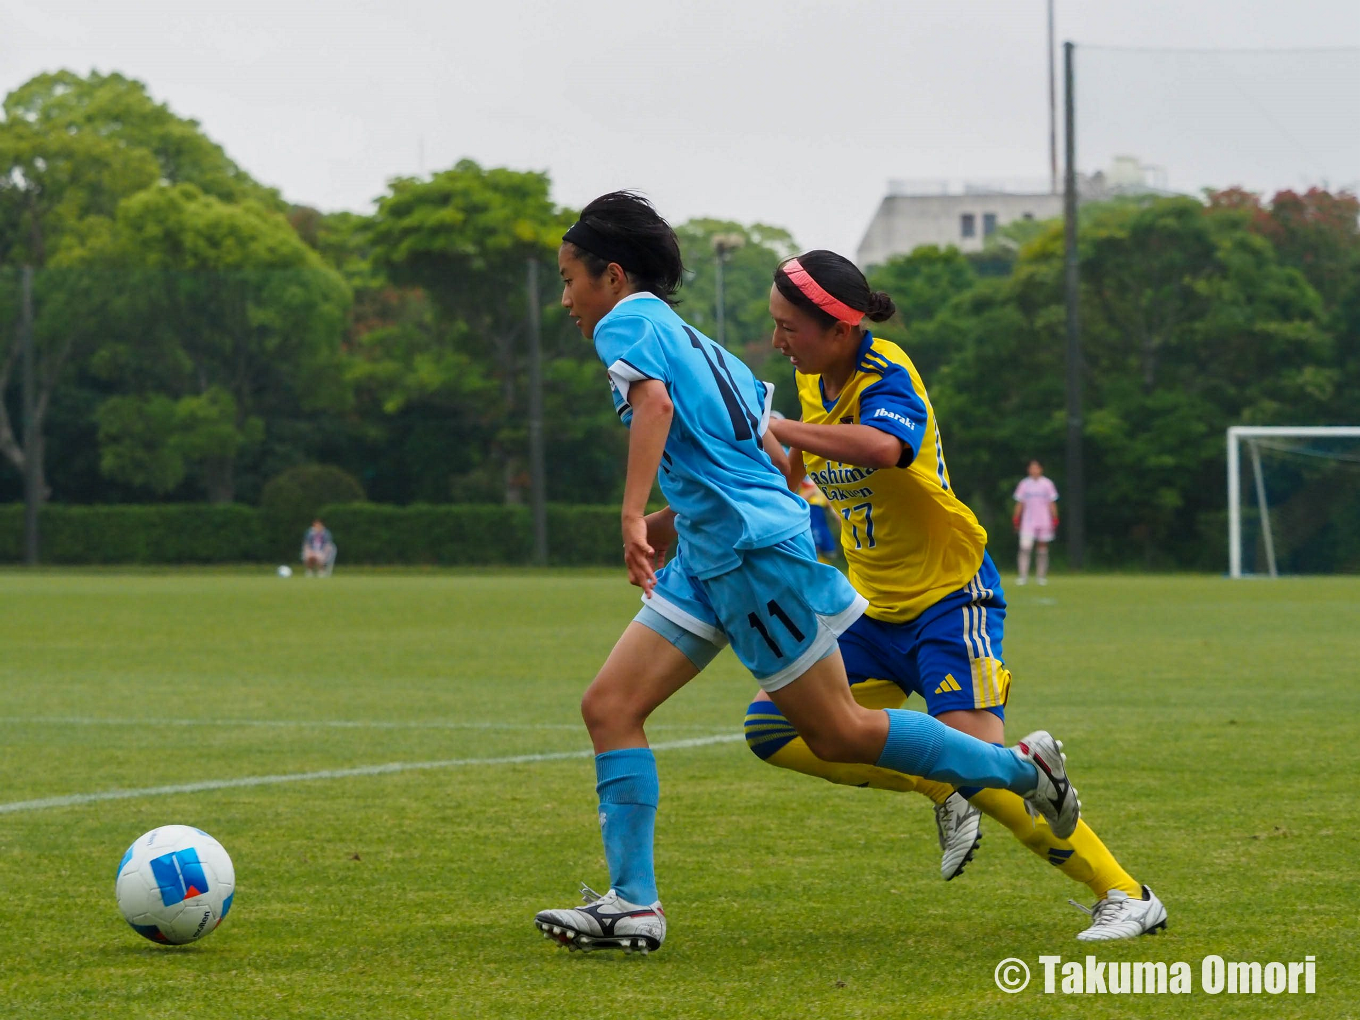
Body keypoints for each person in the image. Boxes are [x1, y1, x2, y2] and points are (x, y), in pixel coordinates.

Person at [533, 194, 1080, 955]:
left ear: (614, 275)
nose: (566, 299)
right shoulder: (699, 343)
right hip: (713, 555)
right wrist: (677, 520)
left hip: (750, 560)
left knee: (838, 730)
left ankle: (1022, 771)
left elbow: (654, 409)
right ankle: (634, 905)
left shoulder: (624, 323)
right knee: (610, 707)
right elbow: (760, 455)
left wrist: (632, 516)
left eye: (569, 280)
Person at [750, 250, 1165, 941]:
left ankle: (1125, 894)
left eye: (789, 328)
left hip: (949, 602)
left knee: (991, 777)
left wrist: (776, 427)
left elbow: (882, 448)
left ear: (841, 328)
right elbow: (799, 467)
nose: (777, 341)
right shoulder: (814, 376)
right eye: (776, 324)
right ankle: (937, 781)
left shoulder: (886, 369)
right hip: (869, 612)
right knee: (773, 727)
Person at [1013, 459, 1059, 585]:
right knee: (1025, 547)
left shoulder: (1047, 484)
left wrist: (1055, 518)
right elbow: (1020, 502)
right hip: (1028, 520)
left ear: (1041, 469)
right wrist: (1016, 518)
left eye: (1036, 468)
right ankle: (1023, 575)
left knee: (1042, 548)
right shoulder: (1024, 484)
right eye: (1032, 468)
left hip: (1044, 520)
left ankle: (1041, 575)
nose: (1034, 470)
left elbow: (1052, 503)